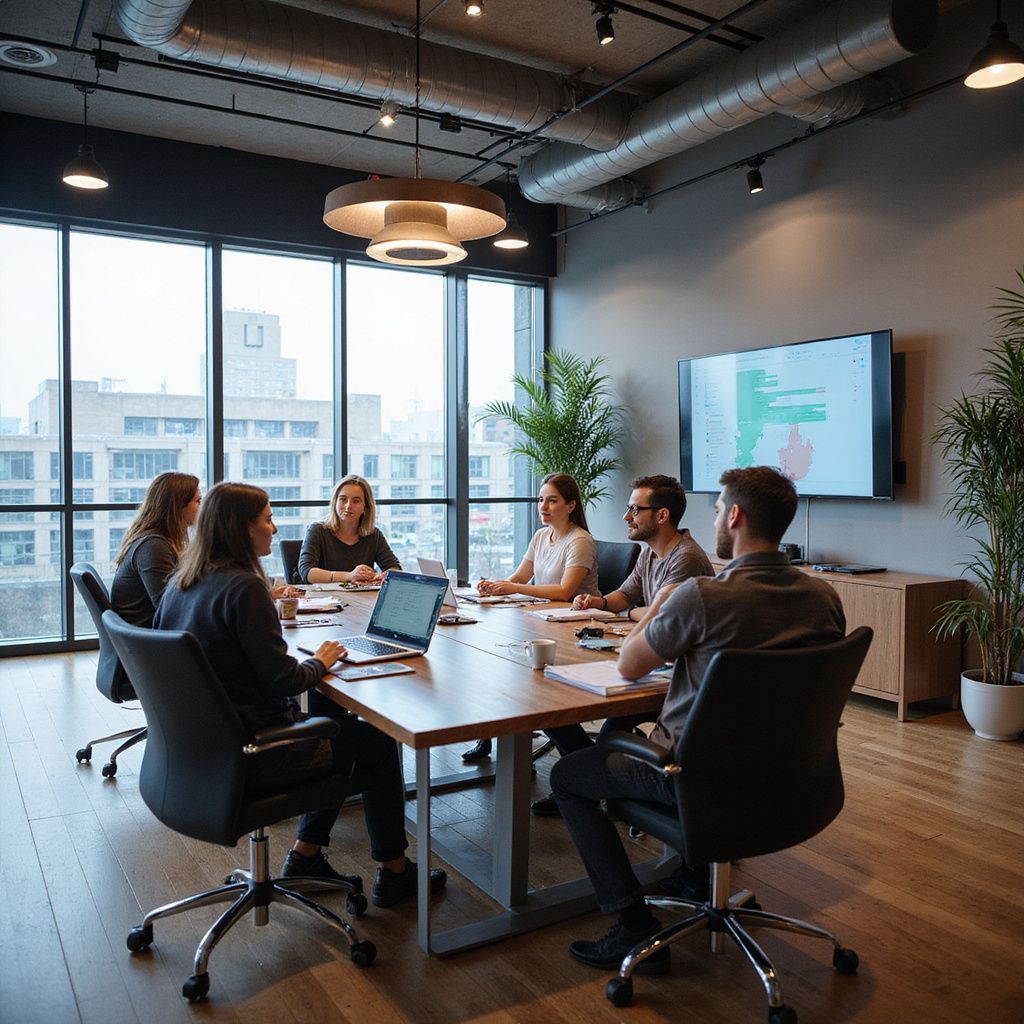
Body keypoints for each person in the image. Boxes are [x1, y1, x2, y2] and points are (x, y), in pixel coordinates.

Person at [549, 466, 846, 974]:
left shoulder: (702, 596)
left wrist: (663, 602)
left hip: (692, 779)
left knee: (567, 778)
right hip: (795, 782)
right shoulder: (825, 599)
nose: (711, 522)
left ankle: (633, 925)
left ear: (734, 515)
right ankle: (692, 877)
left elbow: (628, 665)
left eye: (714, 511)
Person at [153, 482, 446, 907]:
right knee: (376, 742)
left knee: (340, 730)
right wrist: (322, 662)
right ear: (242, 529)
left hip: (197, 752)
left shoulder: (181, 583)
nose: (274, 529)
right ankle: (395, 872)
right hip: (256, 753)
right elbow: (284, 682)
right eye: (267, 520)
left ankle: (306, 854)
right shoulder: (244, 588)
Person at [527, 474, 714, 816]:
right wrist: (595, 602)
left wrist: (632, 611)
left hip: (675, 677)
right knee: (551, 698)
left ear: (662, 516)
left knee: (570, 705)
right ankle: (596, 780)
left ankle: (590, 782)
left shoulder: (685, 558)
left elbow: (657, 615)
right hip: (653, 657)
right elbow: (625, 596)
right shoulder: (650, 553)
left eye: (634, 510)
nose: (626, 517)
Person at [462, 473, 600, 765]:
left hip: (574, 628)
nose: (543, 506)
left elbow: (564, 591)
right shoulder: (541, 536)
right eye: (541, 499)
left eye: (552, 500)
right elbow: (520, 577)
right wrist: (496, 587)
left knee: (535, 686)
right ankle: (487, 736)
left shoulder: (580, 540)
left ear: (571, 505)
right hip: (542, 621)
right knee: (495, 662)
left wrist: (513, 588)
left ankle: (573, 765)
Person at [110, 472, 201, 627]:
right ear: (178, 506)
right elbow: (167, 608)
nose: (202, 507)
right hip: (148, 640)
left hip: (142, 635)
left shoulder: (156, 540)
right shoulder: (153, 546)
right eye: (198, 501)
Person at [298, 474, 401, 585]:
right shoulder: (318, 530)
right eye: (343, 499)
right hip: (324, 599)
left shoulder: (373, 534)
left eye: (356, 501)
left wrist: (380, 577)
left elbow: (395, 568)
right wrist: (349, 576)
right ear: (335, 502)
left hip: (362, 599)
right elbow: (307, 572)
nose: (348, 506)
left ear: (365, 507)